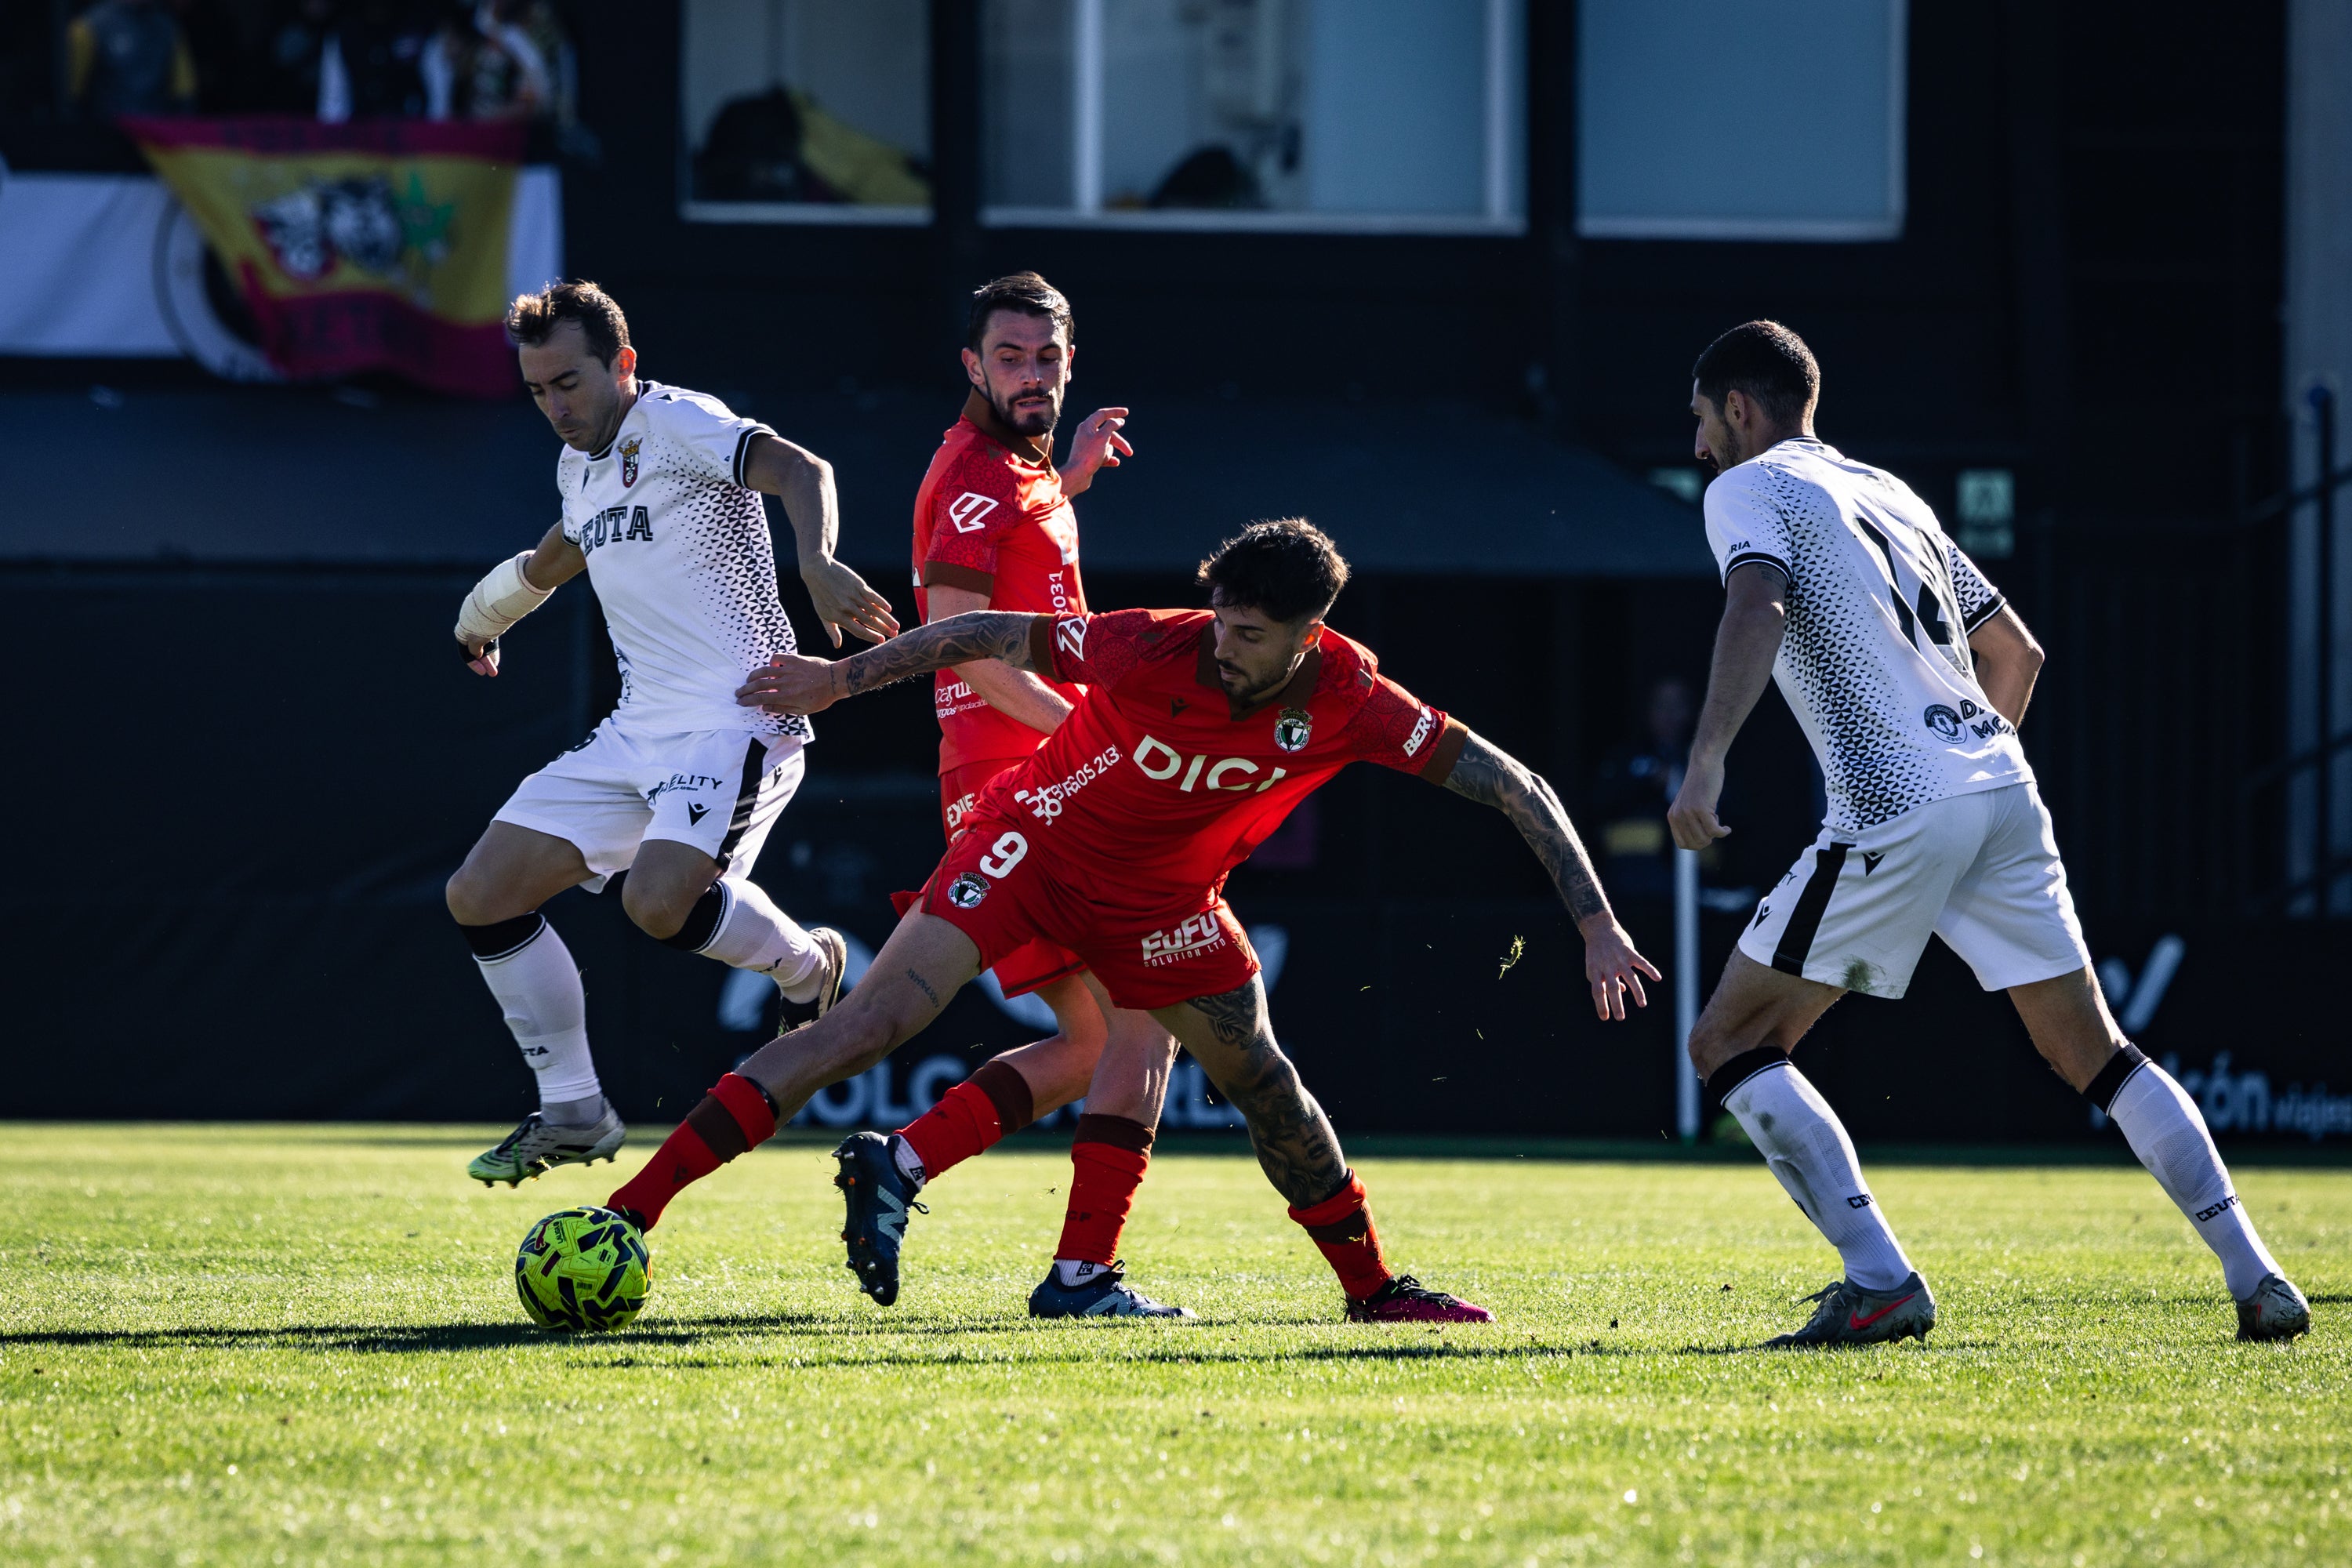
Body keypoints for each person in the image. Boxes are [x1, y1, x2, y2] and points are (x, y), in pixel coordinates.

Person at [602, 519, 1661, 1325]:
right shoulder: (1149, 644)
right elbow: (979, 630)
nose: (1226, 648)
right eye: (1224, 621)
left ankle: (1373, 1288)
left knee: (1264, 1084)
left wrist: (1597, 922)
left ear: (1310, 635)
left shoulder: (1356, 699)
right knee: (865, 1028)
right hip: (1033, 846)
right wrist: (841, 678)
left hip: (1163, 903)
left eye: (1252, 636)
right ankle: (630, 1213)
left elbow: (1514, 785)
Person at [1665, 320, 2310, 1345]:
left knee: (1727, 1041)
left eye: (1702, 420)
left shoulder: (1747, 488)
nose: (1699, 445)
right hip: (2001, 783)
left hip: (1897, 799)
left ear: (1739, 409)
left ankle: (1879, 1278)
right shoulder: (1893, 493)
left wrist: (1706, 759)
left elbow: (1759, 601)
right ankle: (2257, 1273)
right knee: (2096, 1054)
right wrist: (1962, 787)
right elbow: (2016, 652)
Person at [444, 280, 900, 1189]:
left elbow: (802, 469)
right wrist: (479, 619)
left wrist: (813, 559)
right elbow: (550, 561)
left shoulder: (680, 423)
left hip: (741, 714)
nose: (556, 406)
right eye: (538, 390)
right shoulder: (577, 467)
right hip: (637, 730)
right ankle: (573, 1107)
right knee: (480, 892)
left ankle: (809, 967)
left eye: (569, 382)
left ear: (624, 364)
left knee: (653, 906)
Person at [824, 272, 1176, 1315]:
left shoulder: (1017, 474)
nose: (1031, 374)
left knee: (1092, 1043)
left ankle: (901, 1164)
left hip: (1027, 779)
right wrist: (1102, 740)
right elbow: (967, 653)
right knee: (1147, 1024)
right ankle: (1084, 1276)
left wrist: (1063, 482)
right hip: (1031, 779)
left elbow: (1009, 560)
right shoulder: (977, 476)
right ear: (972, 365)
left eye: (1048, 358)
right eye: (1010, 357)